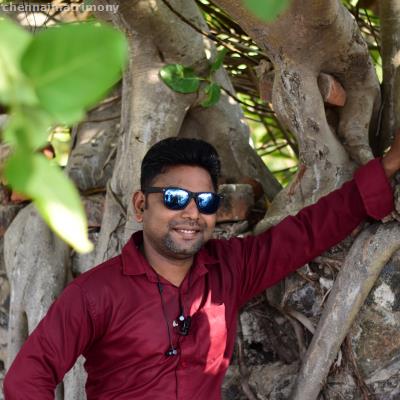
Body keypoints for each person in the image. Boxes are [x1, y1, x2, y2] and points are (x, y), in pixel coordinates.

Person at [3, 136, 399, 400]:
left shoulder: (230, 269)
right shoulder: (95, 294)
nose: (192, 213)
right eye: (175, 198)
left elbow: (308, 232)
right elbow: (27, 378)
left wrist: (387, 166)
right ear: (141, 205)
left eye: (206, 202)